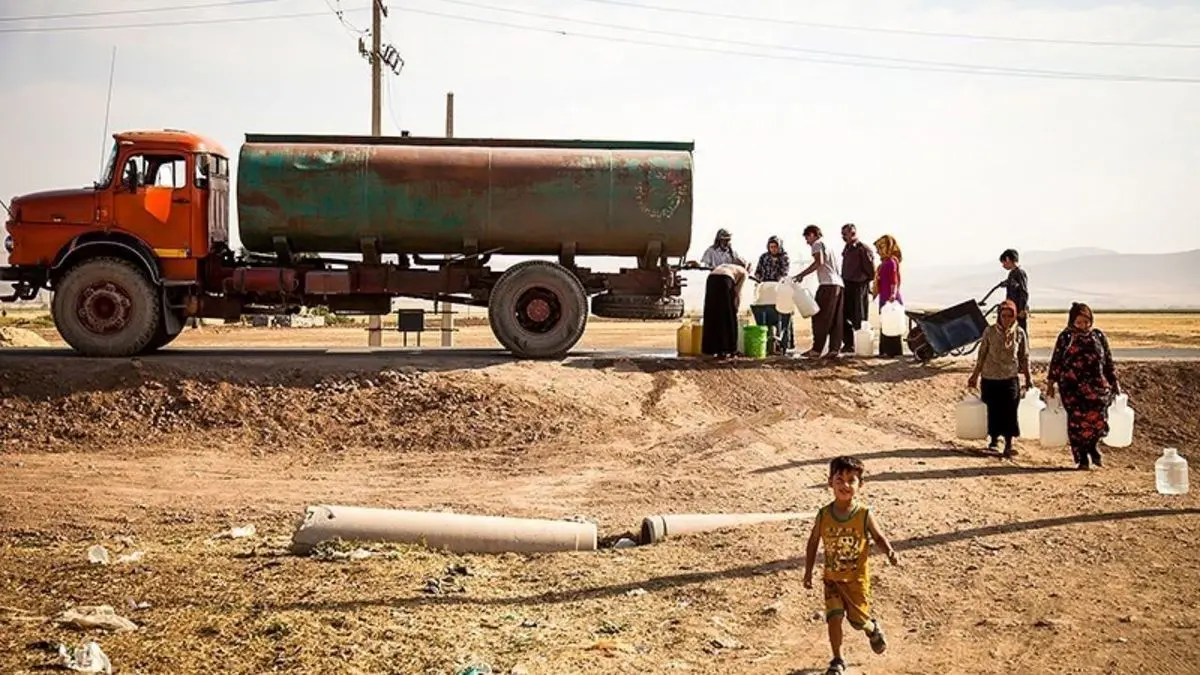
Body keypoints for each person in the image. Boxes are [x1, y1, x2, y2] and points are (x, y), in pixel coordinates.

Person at [804, 456, 899, 675]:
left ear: (860, 485)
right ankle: (837, 659)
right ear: (830, 482)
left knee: (857, 621)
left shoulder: (864, 514)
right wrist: (808, 571)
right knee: (834, 618)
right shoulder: (824, 514)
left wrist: (890, 552)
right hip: (832, 579)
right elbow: (812, 542)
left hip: (856, 581)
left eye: (851, 480)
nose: (845, 485)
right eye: (840, 479)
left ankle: (872, 629)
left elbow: (878, 536)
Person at [1047, 302, 1121, 469]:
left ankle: (1092, 447)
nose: (1083, 326)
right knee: (1077, 424)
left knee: (1098, 421)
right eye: (1079, 322)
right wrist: (1051, 382)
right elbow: (1056, 361)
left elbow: (1108, 360)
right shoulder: (1066, 337)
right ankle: (1082, 459)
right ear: (1072, 321)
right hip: (1072, 389)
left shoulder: (1098, 336)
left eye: (1086, 322)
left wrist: (1114, 380)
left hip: (1097, 387)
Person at [967, 300, 1033, 457]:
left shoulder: (1019, 333)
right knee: (993, 409)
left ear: (1014, 316)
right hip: (990, 377)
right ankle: (994, 440)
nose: (1006, 319)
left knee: (1010, 410)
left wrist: (1029, 378)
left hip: (1010, 377)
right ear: (999, 316)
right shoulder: (989, 332)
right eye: (1003, 316)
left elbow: (1024, 357)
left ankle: (1009, 443)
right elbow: (982, 354)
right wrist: (975, 375)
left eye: (1010, 316)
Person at [794, 225, 844, 359]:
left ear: (813, 234)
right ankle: (834, 348)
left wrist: (801, 275)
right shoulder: (829, 245)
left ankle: (817, 350)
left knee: (819, 316)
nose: (807, 241)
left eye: (807, 237)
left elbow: (819, 262)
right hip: (838, 284)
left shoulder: (817, 244)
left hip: (827, 285)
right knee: (834, 319)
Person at [751, 235, 794, 353]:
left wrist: (778, 281)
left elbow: (784, 273)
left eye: (775, 247)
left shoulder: (784, 258)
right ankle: (766, 343)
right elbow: (758, 271)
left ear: (779, 247)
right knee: (765, 317)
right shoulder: (764, 257)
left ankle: (786, 344)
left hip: (778, 290)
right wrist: (758, 278)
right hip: (765, 290)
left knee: (784, 317)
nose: (773, 249)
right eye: (771, 247)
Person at [840, 224, 876, 354]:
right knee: (843, 315)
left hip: (859, 285)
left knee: (859, 316)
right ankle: (848, 343)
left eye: (845, 234)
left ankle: (860, 345)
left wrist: (866, 283)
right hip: (846, 284)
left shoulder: (863, 249)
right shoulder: (847, 248)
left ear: (852, 233)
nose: (843, 237)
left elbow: (871, 270)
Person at [700, 262, 748, 358]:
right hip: (725, 280)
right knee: (728, 316)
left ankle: (710, 349)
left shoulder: (725, 265)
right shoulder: (743, 272)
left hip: (711, 279)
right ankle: (729, 349)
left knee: (712, 313)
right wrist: (735, 309)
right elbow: (738, 293)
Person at [871, 235, 904, 358]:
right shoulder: (884, 263)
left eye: (880, 248)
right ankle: (885, 350)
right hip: (884, 297)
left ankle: (892, 352)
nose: (878, 251)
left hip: (890, 297)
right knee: (886, 323)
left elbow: (893, 279)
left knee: (891, 324)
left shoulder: (891, 262)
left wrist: (893, 294)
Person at [999, 249, 1030, 335]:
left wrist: (1022, 309)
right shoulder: (1012, 274)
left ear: (1008, 259)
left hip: (1019, 310)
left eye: (1003, 262)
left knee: (1021, 332)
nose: (1003, 265)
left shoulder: (1020, 273)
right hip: (1012, 310)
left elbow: (1024, 291)